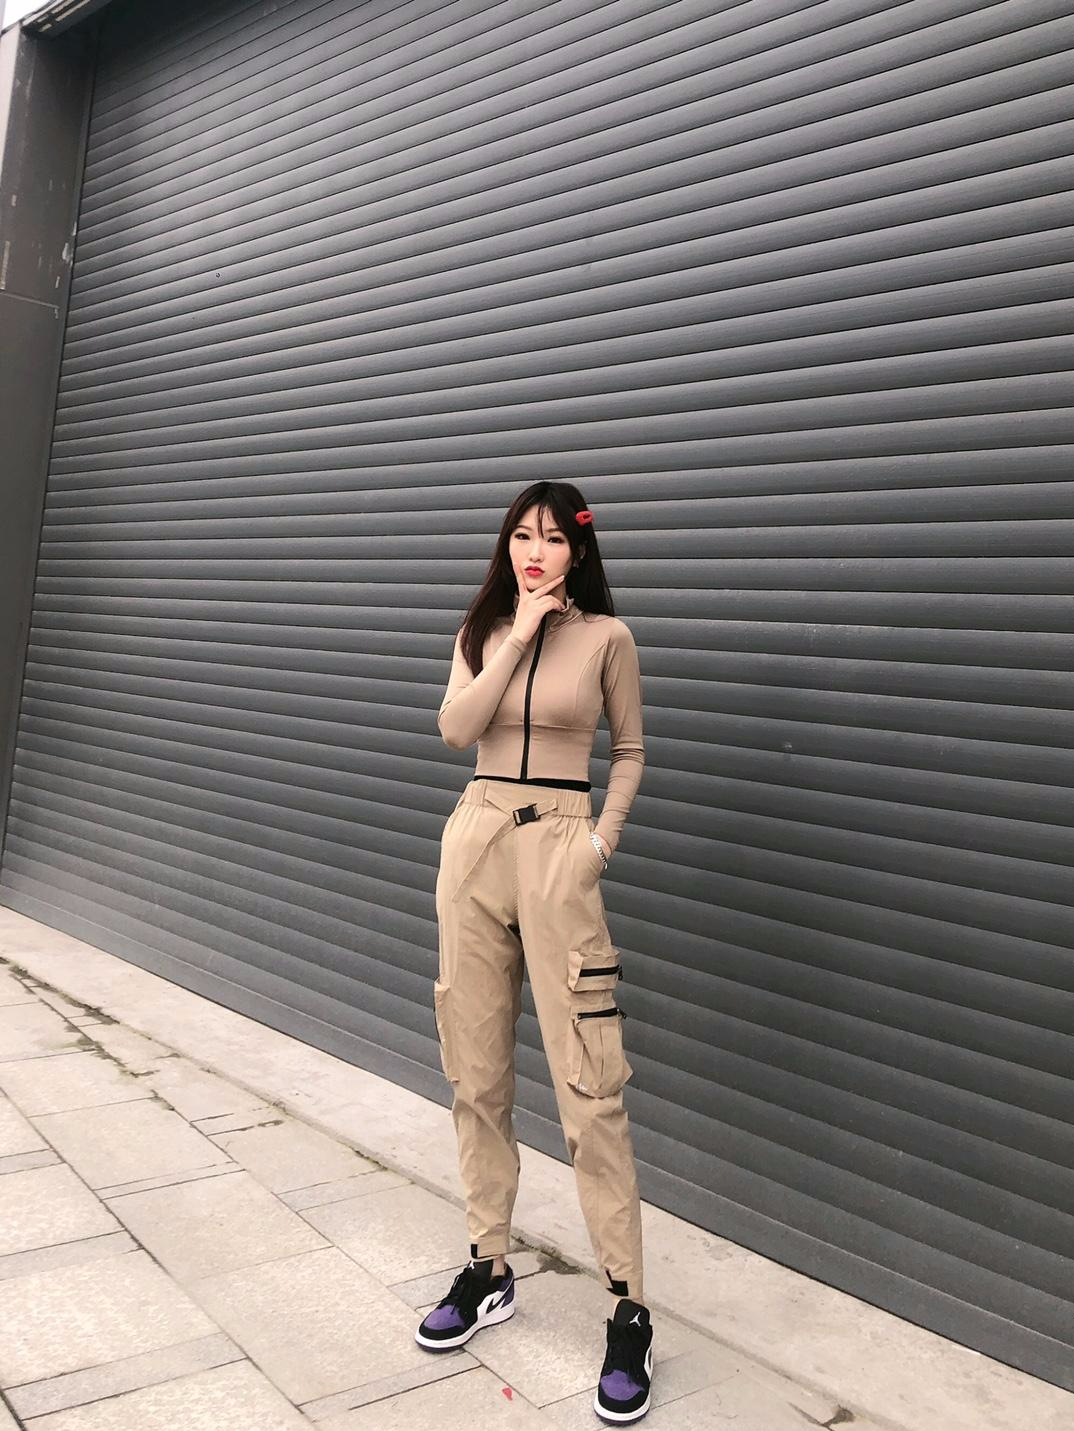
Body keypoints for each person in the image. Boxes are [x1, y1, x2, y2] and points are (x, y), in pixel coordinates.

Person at [414, 480, 653, 1424]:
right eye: (522, 535)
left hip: (560, 845)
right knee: (475, 1072)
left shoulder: (607, 639)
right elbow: (455, 729)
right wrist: (516, 632)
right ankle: (489, 1266)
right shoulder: (481, 631)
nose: (535, 552)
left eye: (552, 538)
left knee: (589, 1085)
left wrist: (599, 843)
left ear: (578, 551)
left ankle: (629, 1306)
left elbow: (629, 750)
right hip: (474, 841)